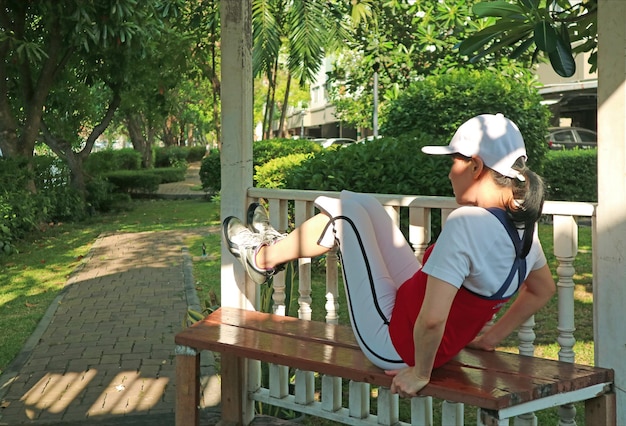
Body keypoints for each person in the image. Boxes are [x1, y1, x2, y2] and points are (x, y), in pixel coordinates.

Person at [222, 113, 556, 398]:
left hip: (396, 345)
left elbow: (433, 319)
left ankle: (260, 257)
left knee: (344, 215)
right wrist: (491, 338)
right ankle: (274, 245)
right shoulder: (523, 225)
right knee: (361, 203)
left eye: (453, 159)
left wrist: (421, 373)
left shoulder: (468, 222)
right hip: (415, 321)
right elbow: (543, 288)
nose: (449, 170)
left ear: (476, 166)